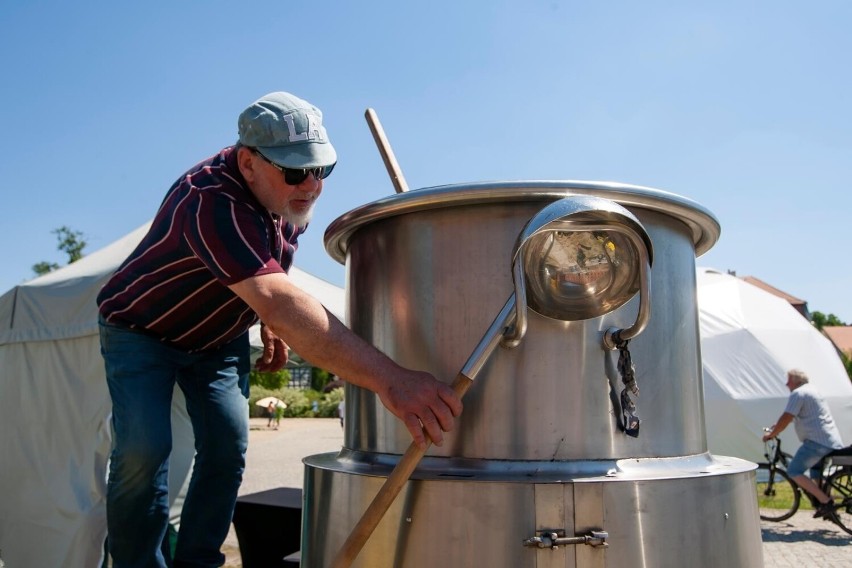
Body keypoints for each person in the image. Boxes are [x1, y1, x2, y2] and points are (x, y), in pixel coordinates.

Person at [96, 91, 462, 568]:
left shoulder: (284, 198)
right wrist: (392, 378)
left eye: (321, 170)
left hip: (216, 340)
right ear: (248, 163)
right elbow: (277, 296)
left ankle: (198, 562)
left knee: (228, 447)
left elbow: (268, 276)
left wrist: (268, 323)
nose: (311, 186)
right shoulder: (210, 199)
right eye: (295, 171)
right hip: (141, 330)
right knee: (145, 450)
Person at [762, 368, 844, 520]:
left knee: (794, 471)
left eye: (788, 380)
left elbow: (787, 416)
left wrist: (771, 434)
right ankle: (828, 507)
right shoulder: (813, 391)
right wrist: (776, 426)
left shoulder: (798, 394)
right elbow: (798, 415)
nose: (786, 384)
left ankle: (826, 502)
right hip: (830, 440)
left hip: (817, 442)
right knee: (816, 473)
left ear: (795, 381)